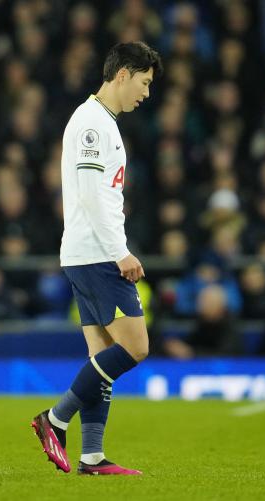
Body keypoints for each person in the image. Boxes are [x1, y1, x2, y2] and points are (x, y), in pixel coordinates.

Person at [30, 42, 162, 476]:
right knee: (135, 346)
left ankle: (91, 456)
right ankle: (54, 418)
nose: (146, 93)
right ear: (123, 74)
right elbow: (90, 194)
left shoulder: (101, 121)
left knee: (101, 356)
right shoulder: (92, 122)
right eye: (144, 83)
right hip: (97, 254)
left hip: (85, 253)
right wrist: (120, 252)